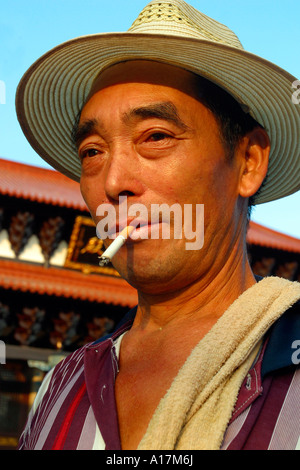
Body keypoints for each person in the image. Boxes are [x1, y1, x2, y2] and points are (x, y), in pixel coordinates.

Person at [16, 0, 300, 450]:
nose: (113, 182)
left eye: (156, 137)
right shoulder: (60, 388)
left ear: (248, 162)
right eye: (92, 151)